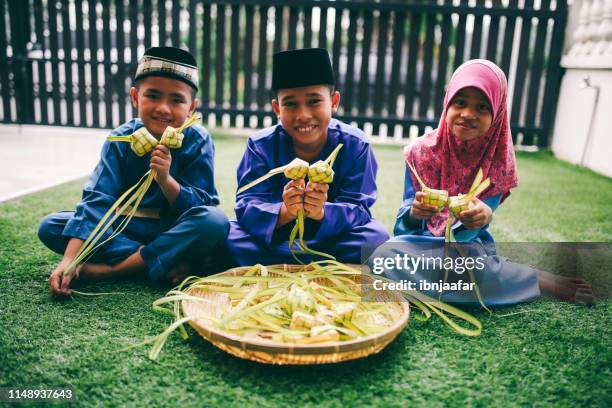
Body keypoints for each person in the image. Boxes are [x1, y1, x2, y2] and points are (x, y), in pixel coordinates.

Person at [379, 59, 594, 305]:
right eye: (460, 102)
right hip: (420, 244)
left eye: (482, 107)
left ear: (498, 112)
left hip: (468, 249)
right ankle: (460, 288)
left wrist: (482, 216)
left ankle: (536, 279)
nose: (468, 114)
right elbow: (405, 226)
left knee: (471, 270)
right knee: (384, 254)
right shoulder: (420, 152)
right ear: (447, 102)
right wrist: (415, 213)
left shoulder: (497, 161)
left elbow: (473, 228)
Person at [39, 46, 229, 296]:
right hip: (124, 228)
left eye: (176, 100)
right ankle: (164, 259)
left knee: (215, 222)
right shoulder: (120, 139)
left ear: (191, 107)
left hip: (171, 228)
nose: (163, 108)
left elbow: (200, 206)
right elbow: (99, 198)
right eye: (153, 96)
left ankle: (111, 271)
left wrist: (165, 179)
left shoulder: (198, 140)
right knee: (51, 226)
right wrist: (70, 259)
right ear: (135, 97)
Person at [226, 48, 390, 266]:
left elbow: (359, 207)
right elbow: (247, 204)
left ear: (334, 102)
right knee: (229, 236)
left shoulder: (355, 144)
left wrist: (321, 212)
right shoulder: (260, 145)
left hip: (332, 238)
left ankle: (284, 263)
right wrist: (285, 211)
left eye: (314, 101)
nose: (303, 115)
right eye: (290, 104)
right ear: (277, 108)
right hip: (276, 236)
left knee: (377, 238)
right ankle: (322, 265)